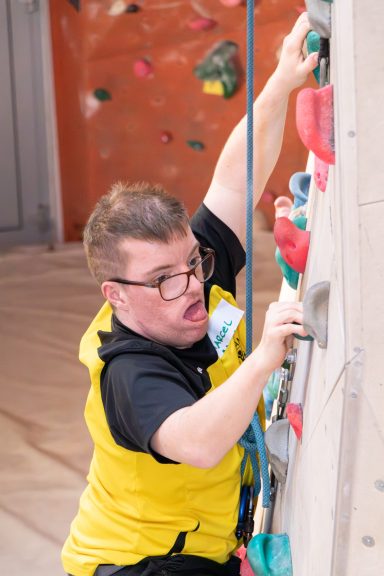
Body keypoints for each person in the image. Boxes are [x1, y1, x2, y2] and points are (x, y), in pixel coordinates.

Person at [62, 13, 317, 576]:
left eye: (192, 262)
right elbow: (197, 442)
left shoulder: (186, 272)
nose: (192, 287)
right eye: (162, 280)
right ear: (117, 295)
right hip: (137, 565)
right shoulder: (128, 370)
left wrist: (281, 81)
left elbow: (234, 180)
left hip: (203, 546)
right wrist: (267, 355)